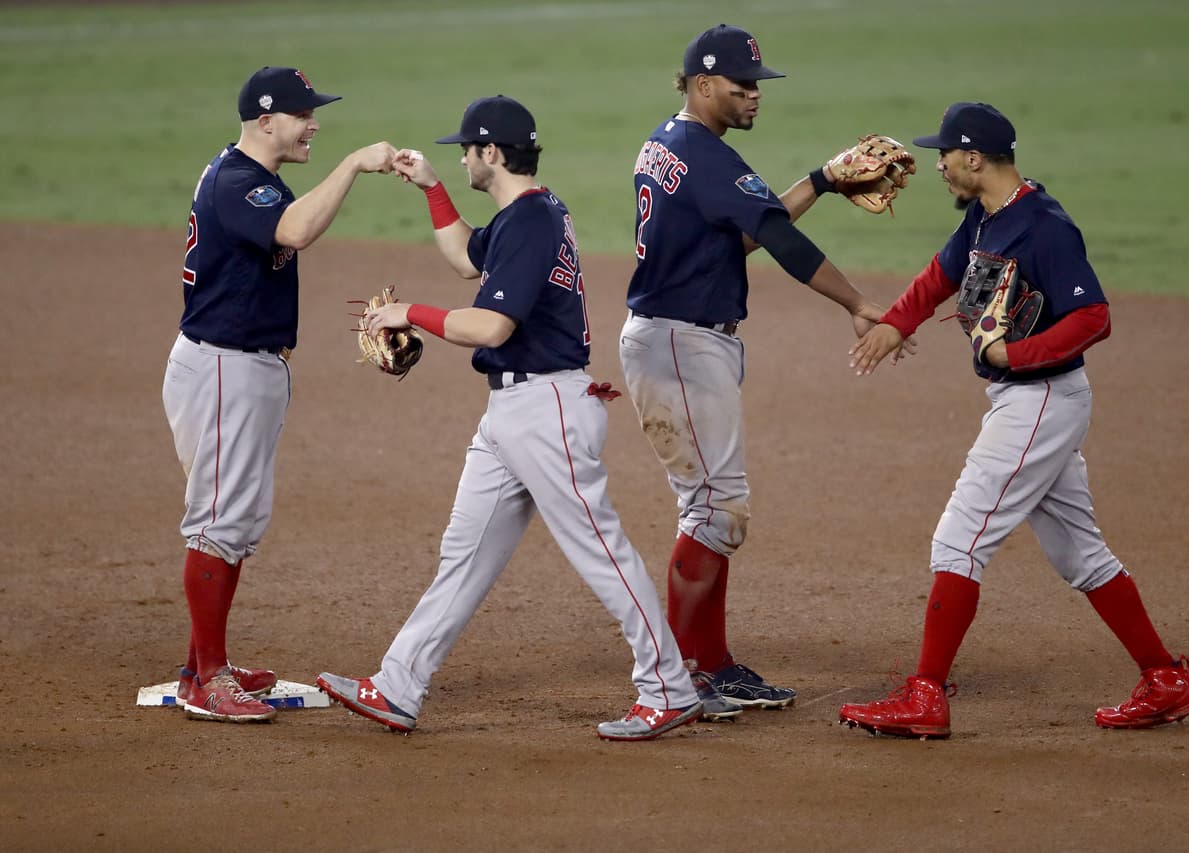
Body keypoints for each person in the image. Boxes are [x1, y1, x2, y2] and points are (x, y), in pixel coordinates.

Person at [316, 95, 702, 741]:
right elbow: (469, 257)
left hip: (546, 407)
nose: (462, 157)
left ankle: (667, 686)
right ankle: (399, 683)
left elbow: (490, 324)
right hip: (514, 411)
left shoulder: (529, 222)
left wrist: (410, 312)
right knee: (464, 554)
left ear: (490, 153)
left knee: (600, 550)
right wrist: (434, 189)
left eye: (464, 151)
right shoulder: (529, 214)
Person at [841, 102, 1189, 738]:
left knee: (959, 539)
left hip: (1040, 400)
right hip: (1031, 402)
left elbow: (1094, 318)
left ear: (975, 158)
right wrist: (897, 323)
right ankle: (1165, 679)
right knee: (1080, 554)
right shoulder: (986, 217)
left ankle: (925, 696)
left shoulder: (1044, 227)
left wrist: (1015, 353)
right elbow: (941, 275)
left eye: (945, 155)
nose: (939, 165)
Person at [620, 24, 904, 719]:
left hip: (674, 337)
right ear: (703, 85)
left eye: (757, 84)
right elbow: (776, 239)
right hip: (681, 343)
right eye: (743, 84)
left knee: (711, 507)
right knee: (715, 507)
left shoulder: (669, 142)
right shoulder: (705, 153)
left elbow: (742, 229)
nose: (754, 94)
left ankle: (707, 664)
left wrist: (823, 180)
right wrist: (860, 303)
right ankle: (690, 670)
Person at [163, 66, 396, 722]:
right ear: (266, 121)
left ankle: (200, 665)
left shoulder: (255, 180)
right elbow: (293, 230)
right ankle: (207, 679)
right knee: (218, 522)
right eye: (303, 114)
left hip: (245, 369)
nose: (314, 122)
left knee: (236, 522)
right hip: (221, 369)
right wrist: (354, 164)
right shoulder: (239, 181)